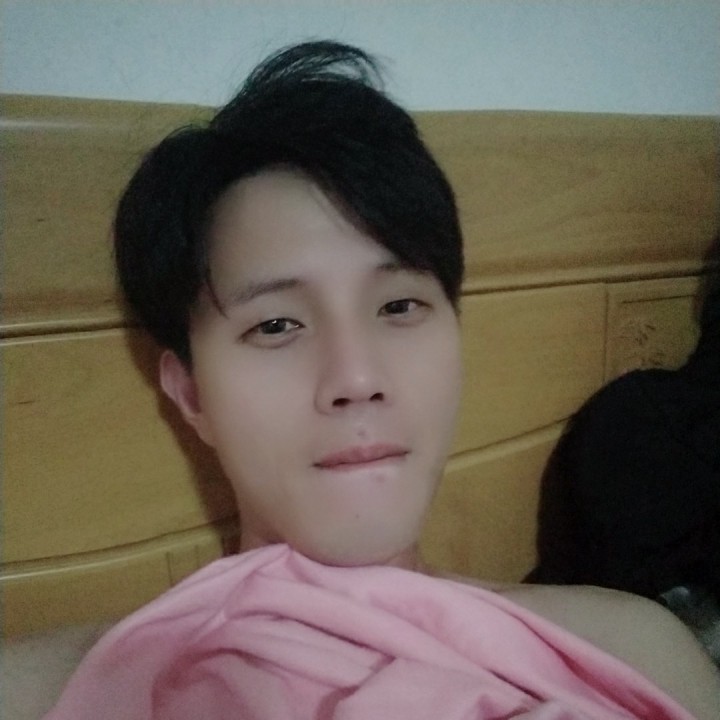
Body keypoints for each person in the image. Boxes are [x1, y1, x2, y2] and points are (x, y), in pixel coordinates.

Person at [4, 41, 719, 719]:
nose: (356, 377)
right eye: (275, 325)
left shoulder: (639, 649)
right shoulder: (43, 692)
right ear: (190, 393)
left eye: (399, 306)